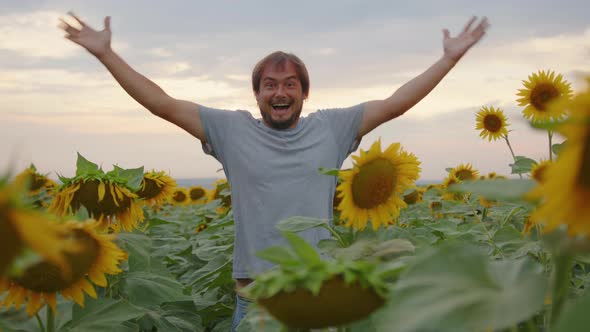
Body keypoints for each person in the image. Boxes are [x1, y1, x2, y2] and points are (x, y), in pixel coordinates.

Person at [59, 12, 489, 330]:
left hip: (318, 303)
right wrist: (106, 53)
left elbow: (396, 102)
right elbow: (162, 103)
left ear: (304, 92)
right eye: (270, 84)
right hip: (256, 306)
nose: (279, 92)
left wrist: (448, 60)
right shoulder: (230, 130)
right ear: (257, 94)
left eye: (289, 84)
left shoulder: (333, 128)